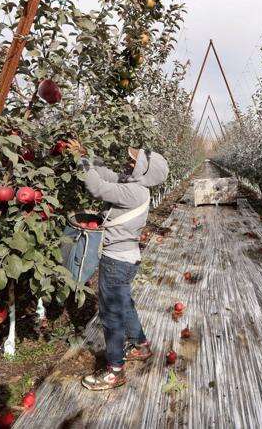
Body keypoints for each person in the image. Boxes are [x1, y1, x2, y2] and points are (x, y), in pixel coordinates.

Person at [77, 147, 169, 391]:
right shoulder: (135, 186)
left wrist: (84, 163)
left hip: (116, 261)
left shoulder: (133, 192)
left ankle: (114, 371)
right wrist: (92, 158)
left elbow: (97, 187)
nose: (128, 164)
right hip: (127, 259)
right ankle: (141, 345)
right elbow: (108, 175)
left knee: (111, 315)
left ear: (142, 170)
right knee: (125, 303)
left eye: (133, 163)